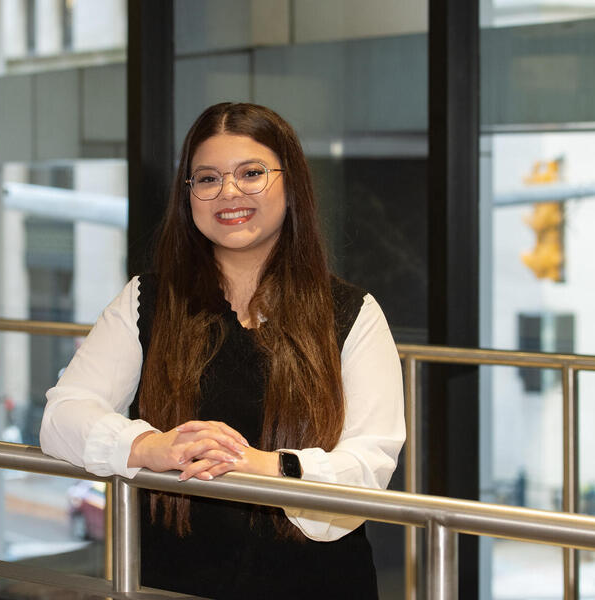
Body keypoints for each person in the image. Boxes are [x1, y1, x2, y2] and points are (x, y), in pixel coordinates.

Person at [40, 102, 405, 599]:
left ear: (291, 182)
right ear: (187, 195)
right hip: (173, 582)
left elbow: (370, 462)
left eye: (252, 173)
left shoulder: (352, 312)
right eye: (207, 179)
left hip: (318, 582)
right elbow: (62, 415)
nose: (229, 193)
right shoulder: (148, 300)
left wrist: (257, 464)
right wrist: (152, 448)